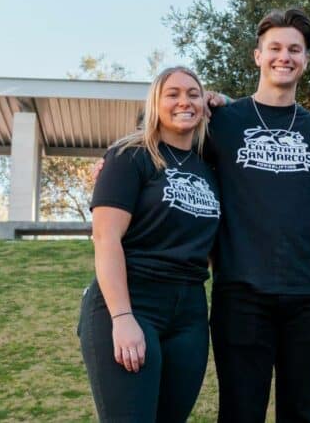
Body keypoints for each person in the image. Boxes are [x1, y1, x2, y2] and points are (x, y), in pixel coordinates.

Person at [205, 9, 310, 423]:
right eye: (276, 48)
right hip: (241, 292)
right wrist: (115, 158)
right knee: (240, 412)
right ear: (257, 56)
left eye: (294, 50)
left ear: (305, 60)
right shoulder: (222, 121)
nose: (285, 56)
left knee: (305, 413)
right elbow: (164, 141)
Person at [77, 66, 220, 422]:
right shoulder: (130, 156)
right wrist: (122, 318)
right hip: (133, 301)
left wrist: (224, 101)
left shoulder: (212, 167)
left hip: (189, 311)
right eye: (172, 94)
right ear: (155, 102)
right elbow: (106, 239)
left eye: (193, 93)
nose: (183, 101)